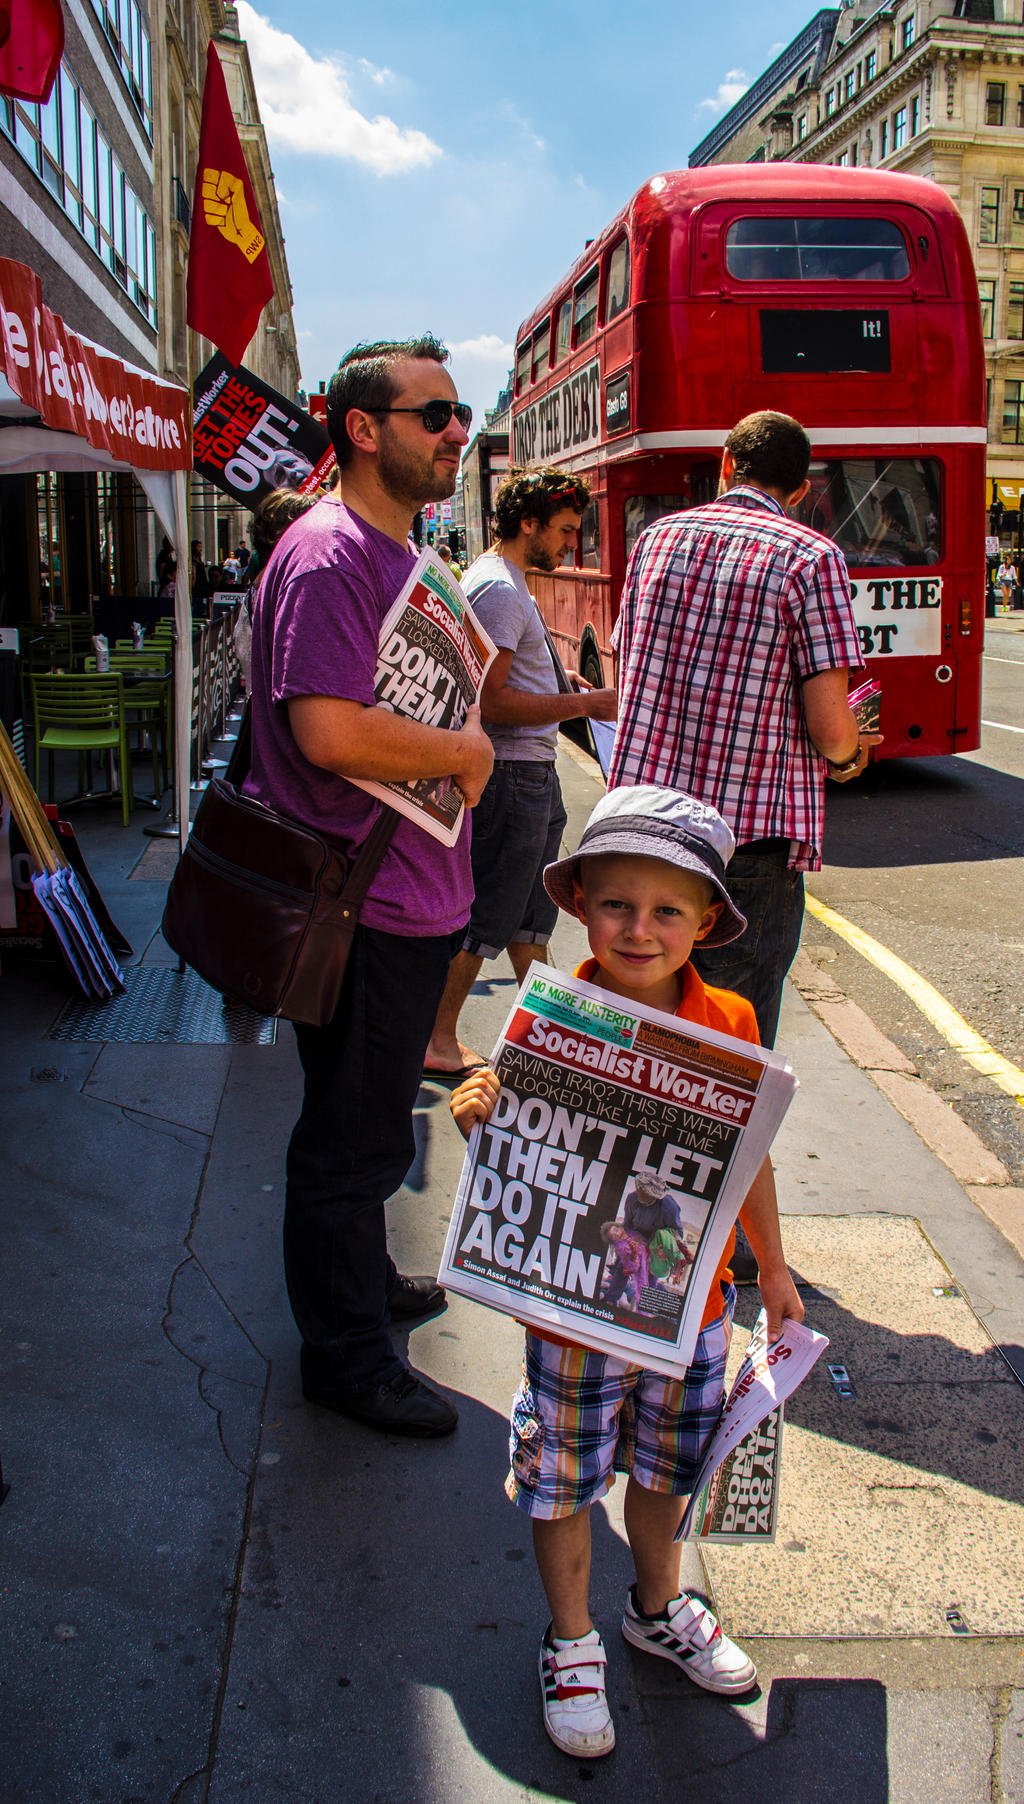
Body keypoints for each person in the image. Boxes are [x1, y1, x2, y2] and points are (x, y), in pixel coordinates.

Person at [451, 784, 804, 1759]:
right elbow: (503, 1117)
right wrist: (480, 1103)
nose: (638, 929)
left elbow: (752, 1158)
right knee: (564, 1475)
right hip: (571, 1310)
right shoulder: (551, 1010)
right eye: (617, 905)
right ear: (579, 905)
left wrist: (771, 1273)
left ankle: (656, 1605)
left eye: (665, 911)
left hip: (686, 1304)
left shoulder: (729, 1019)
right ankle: (571, 1642)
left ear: (704, 923)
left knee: (669, 1462)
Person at [244, 334, 493, 1437]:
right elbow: (329, 727)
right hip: (362, 904)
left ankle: (363, 1288)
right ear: (362, 428)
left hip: (406, 899)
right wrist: (462, 755)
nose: (457, 432)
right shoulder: (331, 555)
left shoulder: (397, 551)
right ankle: (344, 1356)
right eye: (434, 414)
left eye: (460, 413)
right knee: (348, 1141)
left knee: (374, 1130)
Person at [610, 410, 881, 1055]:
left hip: (642, 833)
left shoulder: (654, 539)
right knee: (723, 1060)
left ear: (727, 465)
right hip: (743, 854)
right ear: (801, 489)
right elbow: (829, 725)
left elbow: (629, 665)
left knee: (640, 1036)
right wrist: (852, 754)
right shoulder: (811, 557)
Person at [424, 467, 618, 1076]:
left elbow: (512, 677)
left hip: (529, 775)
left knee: (531, 918)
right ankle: (438, 1041)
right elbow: (495, 701)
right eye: (563, 531)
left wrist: (565, 682)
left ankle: (556, 1043)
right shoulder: (501, 591)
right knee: (488, 918)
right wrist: (583, 705)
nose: (569, 544)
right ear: (527, 523)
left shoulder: (502, 580)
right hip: (512, 778)